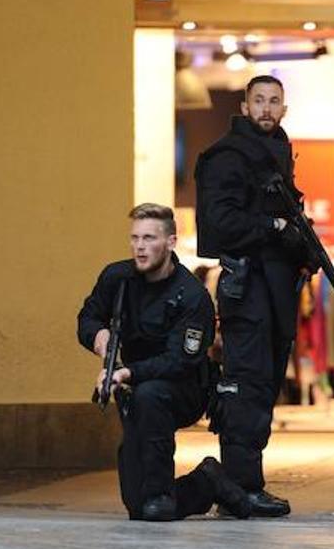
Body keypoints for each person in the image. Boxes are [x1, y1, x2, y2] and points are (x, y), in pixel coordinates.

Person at [77, 203, 252, 523]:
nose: (140, 247)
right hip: (135, 387)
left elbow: (179, 361)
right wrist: (98, 336)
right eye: (135, 238)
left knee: (150, 394)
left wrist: (126, 372)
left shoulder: (192, 295)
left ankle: (161, 496)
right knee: (136, 506)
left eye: (149, 238)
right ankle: (206, 481)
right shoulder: (117, 278)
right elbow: (88, 316)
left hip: (183, 388)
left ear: (171, 242)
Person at [194, 75, 313, 517]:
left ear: (284, 108)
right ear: (244, 107)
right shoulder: (230, 156)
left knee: (262, 386)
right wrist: (274, 229)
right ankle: (240, 488)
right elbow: (222, 222)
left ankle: (244, 485)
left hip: (274, 290)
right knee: (246, 383)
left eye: (274, 101)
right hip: (249, 290)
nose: (266, 108)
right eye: (258, 101)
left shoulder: (276, 153)